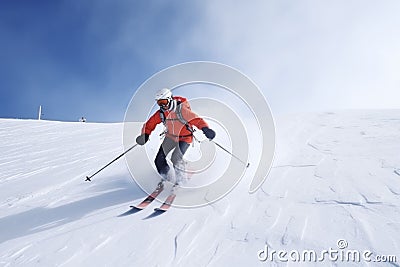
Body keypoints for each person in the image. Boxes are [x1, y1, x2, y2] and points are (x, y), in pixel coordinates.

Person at [136, 88, 216, 185]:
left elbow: (197, 120)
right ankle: (167, 177)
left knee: (176, 158)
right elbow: (149, 124)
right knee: (159, 159)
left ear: (170, 99)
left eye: (164, 102)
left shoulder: (182, 110)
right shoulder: (161, 114)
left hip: (185, 138)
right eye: (159, 103)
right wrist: (145, 135)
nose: (162, 105)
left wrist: (206, 129)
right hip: (170, 137)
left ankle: (181, 180)